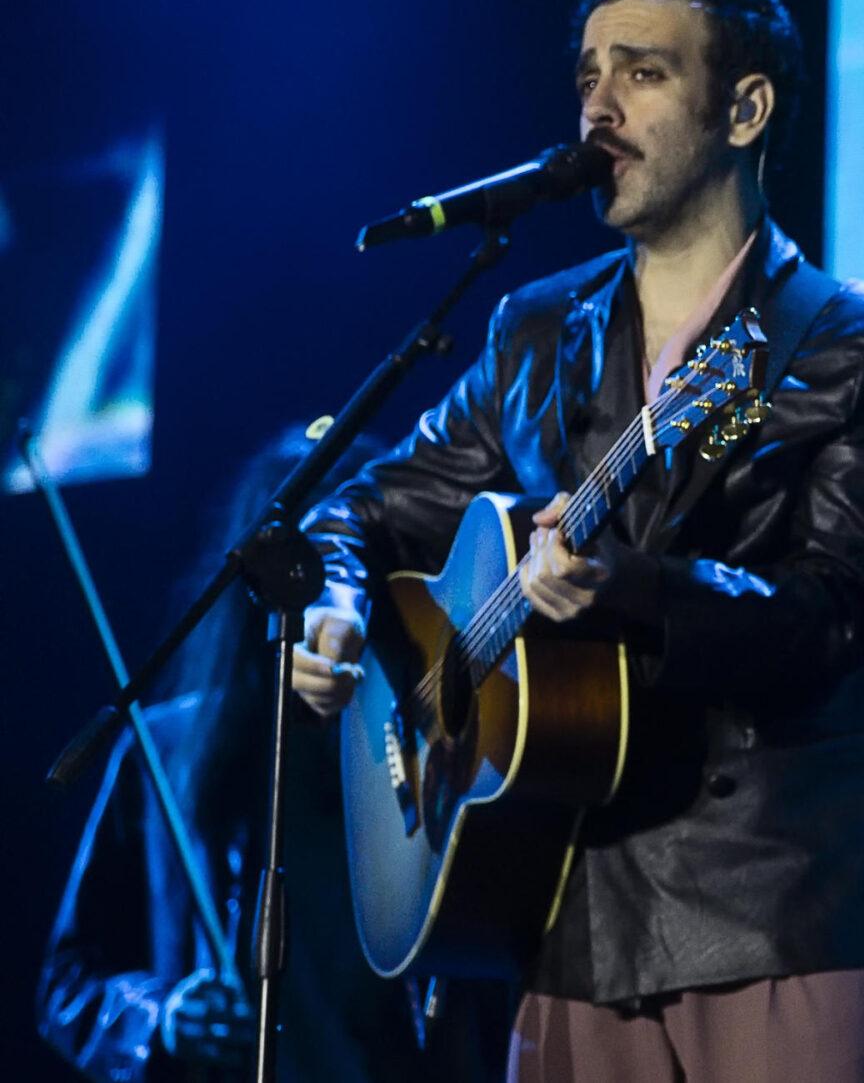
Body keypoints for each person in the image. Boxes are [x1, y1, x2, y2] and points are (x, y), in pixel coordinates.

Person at [292, 0, 864, 1083]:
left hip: (779, 909)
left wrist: (629, 590)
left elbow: (841, 614)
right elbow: (360, 510)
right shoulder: (533, 334)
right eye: (589, 76)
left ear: (744, 109)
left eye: (643, 74)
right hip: (561, 907)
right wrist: (339, 609)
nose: (598, 109)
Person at [40, 423, 512, 1083]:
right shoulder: (163, 750)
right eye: (310, 558)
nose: (333, 577)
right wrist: (161, 1017)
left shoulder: (437, 738)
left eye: (355, 550)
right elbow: (67, 978)